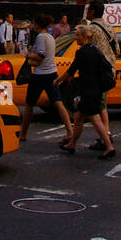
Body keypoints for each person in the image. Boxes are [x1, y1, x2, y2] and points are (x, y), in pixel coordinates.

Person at [57, 25, 116, 158]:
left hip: (88, 89)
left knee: (95, 118)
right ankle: (72, 144)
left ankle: (108, 146)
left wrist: (57, 81)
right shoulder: (96, 50)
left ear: (85, 37)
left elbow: (71, 70)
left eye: (77, 35)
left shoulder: (82, 52)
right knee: (78, 117)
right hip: (95, 88)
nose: (76, 37)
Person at [19, 14, 73, 144]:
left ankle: (23, 133)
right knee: (58, 102)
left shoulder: (40, 37)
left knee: (30, 104)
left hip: (40, 74)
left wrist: (28, 55)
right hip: (52, 73)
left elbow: (40, 56)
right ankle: (70, 131)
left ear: (37, 25)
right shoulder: (50, 37)